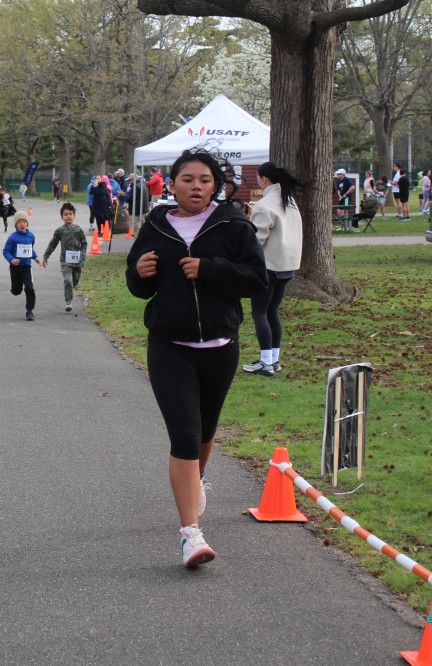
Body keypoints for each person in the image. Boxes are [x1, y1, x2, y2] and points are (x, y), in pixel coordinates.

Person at [125, 149, 267, 568]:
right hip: (170, 347)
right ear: (172, 184)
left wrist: (209, 269)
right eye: (187, 179)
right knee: (185, 436)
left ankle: (195, 479)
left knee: (205, 431)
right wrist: (139, 273)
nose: (196, 187)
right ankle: (191, 535)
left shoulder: (234, 225)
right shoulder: (156, 225)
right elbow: (139, 286)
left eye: (205, 180)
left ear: (216, 186)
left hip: (220, 347)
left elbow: (256, 279)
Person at [242, 162, 305, 377]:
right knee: (272, 312)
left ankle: (265, 361)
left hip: (269, 266)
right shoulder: (289, 200)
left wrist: (248, 221)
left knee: (259, 312)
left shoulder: (264, 205)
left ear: (264, 179)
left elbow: (257, 240)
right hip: (288, 265)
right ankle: (274, 359)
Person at [42, 202, 87, 312]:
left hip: (77, 260)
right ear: (62, 217)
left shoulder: (78, 229)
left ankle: (70, 290)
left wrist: (83, 254)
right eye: (65, 214)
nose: (68, 216)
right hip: (65, 261)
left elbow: (84, 243)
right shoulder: (60, 231)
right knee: (68, 280)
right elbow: (53, 244)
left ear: (74, 215)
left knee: (74, 281)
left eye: (70, 214)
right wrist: (46, 256)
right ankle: (68, 302)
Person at [2, 210, 41, 321]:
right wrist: (11, 259)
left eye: (24, 222)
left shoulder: (31, 236)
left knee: (29, 287)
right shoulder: (12, 237)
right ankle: (15, 289)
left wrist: (35, 257)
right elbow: (6, 251)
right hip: (15, 267)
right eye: (19, 222)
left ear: (27, 224)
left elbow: (30, 249)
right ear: (16, 225)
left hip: (26, 267)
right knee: (16, 291)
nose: (22, 224)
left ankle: (30, 311)